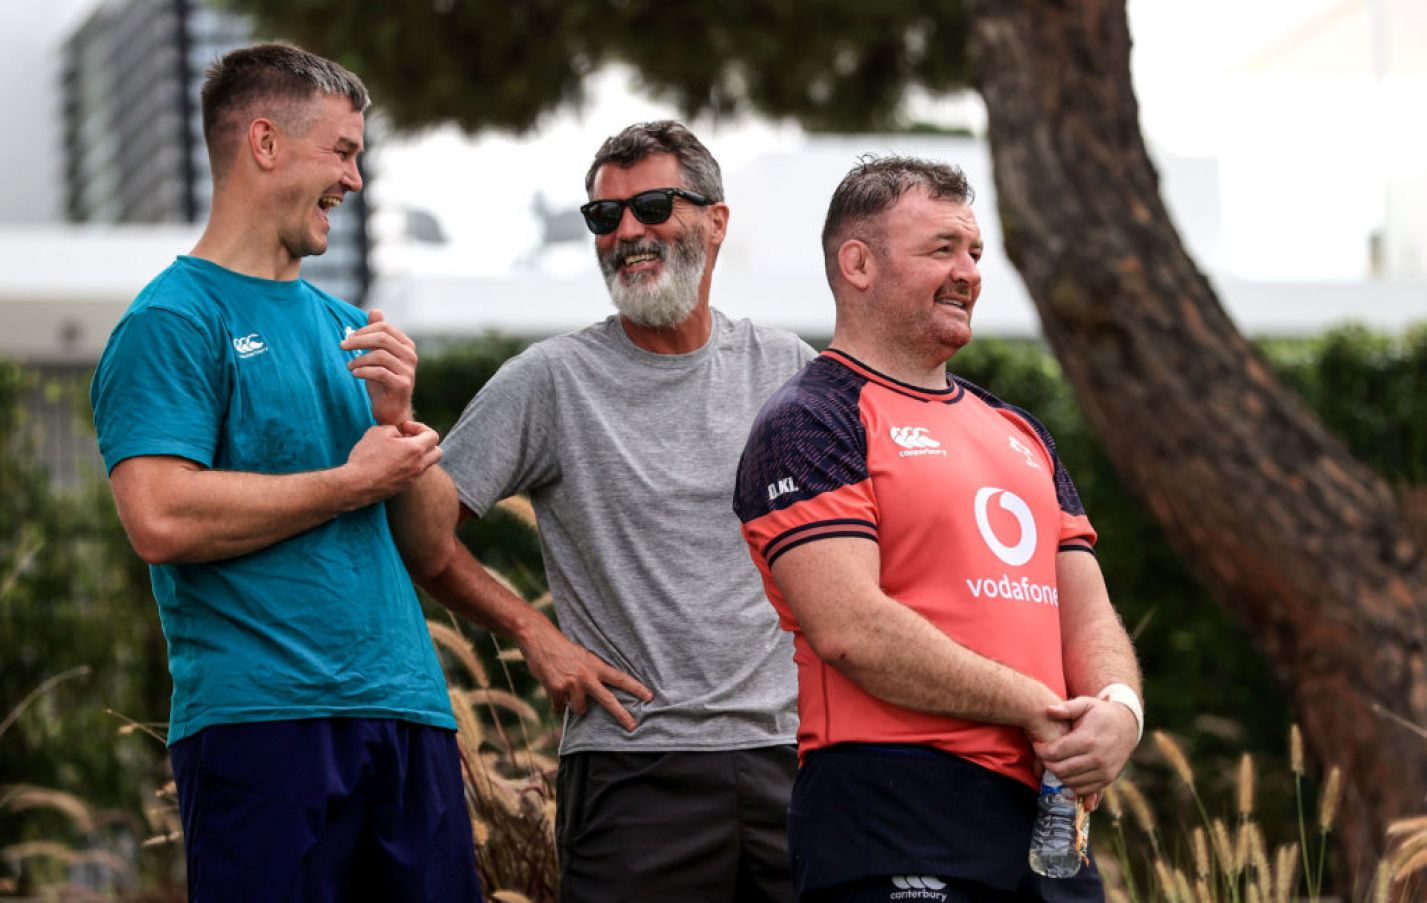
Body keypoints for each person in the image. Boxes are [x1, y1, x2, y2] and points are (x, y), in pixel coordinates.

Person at [89, 43, 481, 901]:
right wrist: (348, 481)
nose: (356, 178)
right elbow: (159, 517)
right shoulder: (170, 322)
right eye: (342, 151)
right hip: (263, 726)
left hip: (407, 716)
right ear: (265, 143)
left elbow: (425, 543)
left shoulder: (354, 329)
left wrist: (396, 422)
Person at [394, 121, 815, 903]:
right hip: (632, 770)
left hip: (793, 759)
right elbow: (422, 537)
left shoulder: (788, 367)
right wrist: (533, 631)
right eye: (604, 216)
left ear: (715, 221)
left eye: (652, 206)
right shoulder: (549, 380)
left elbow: (863, 542)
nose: (627, 232)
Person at [732, 156, 1144, 902]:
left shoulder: (1019, 429)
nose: (967, 272)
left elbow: (1086, 612)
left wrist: (1120, 709)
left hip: (1051, 820)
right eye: (940, 249)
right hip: (893, 802)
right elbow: (851, 628)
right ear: (857, 263)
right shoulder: (810, 418)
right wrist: (1034, 706)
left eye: (974, 253)